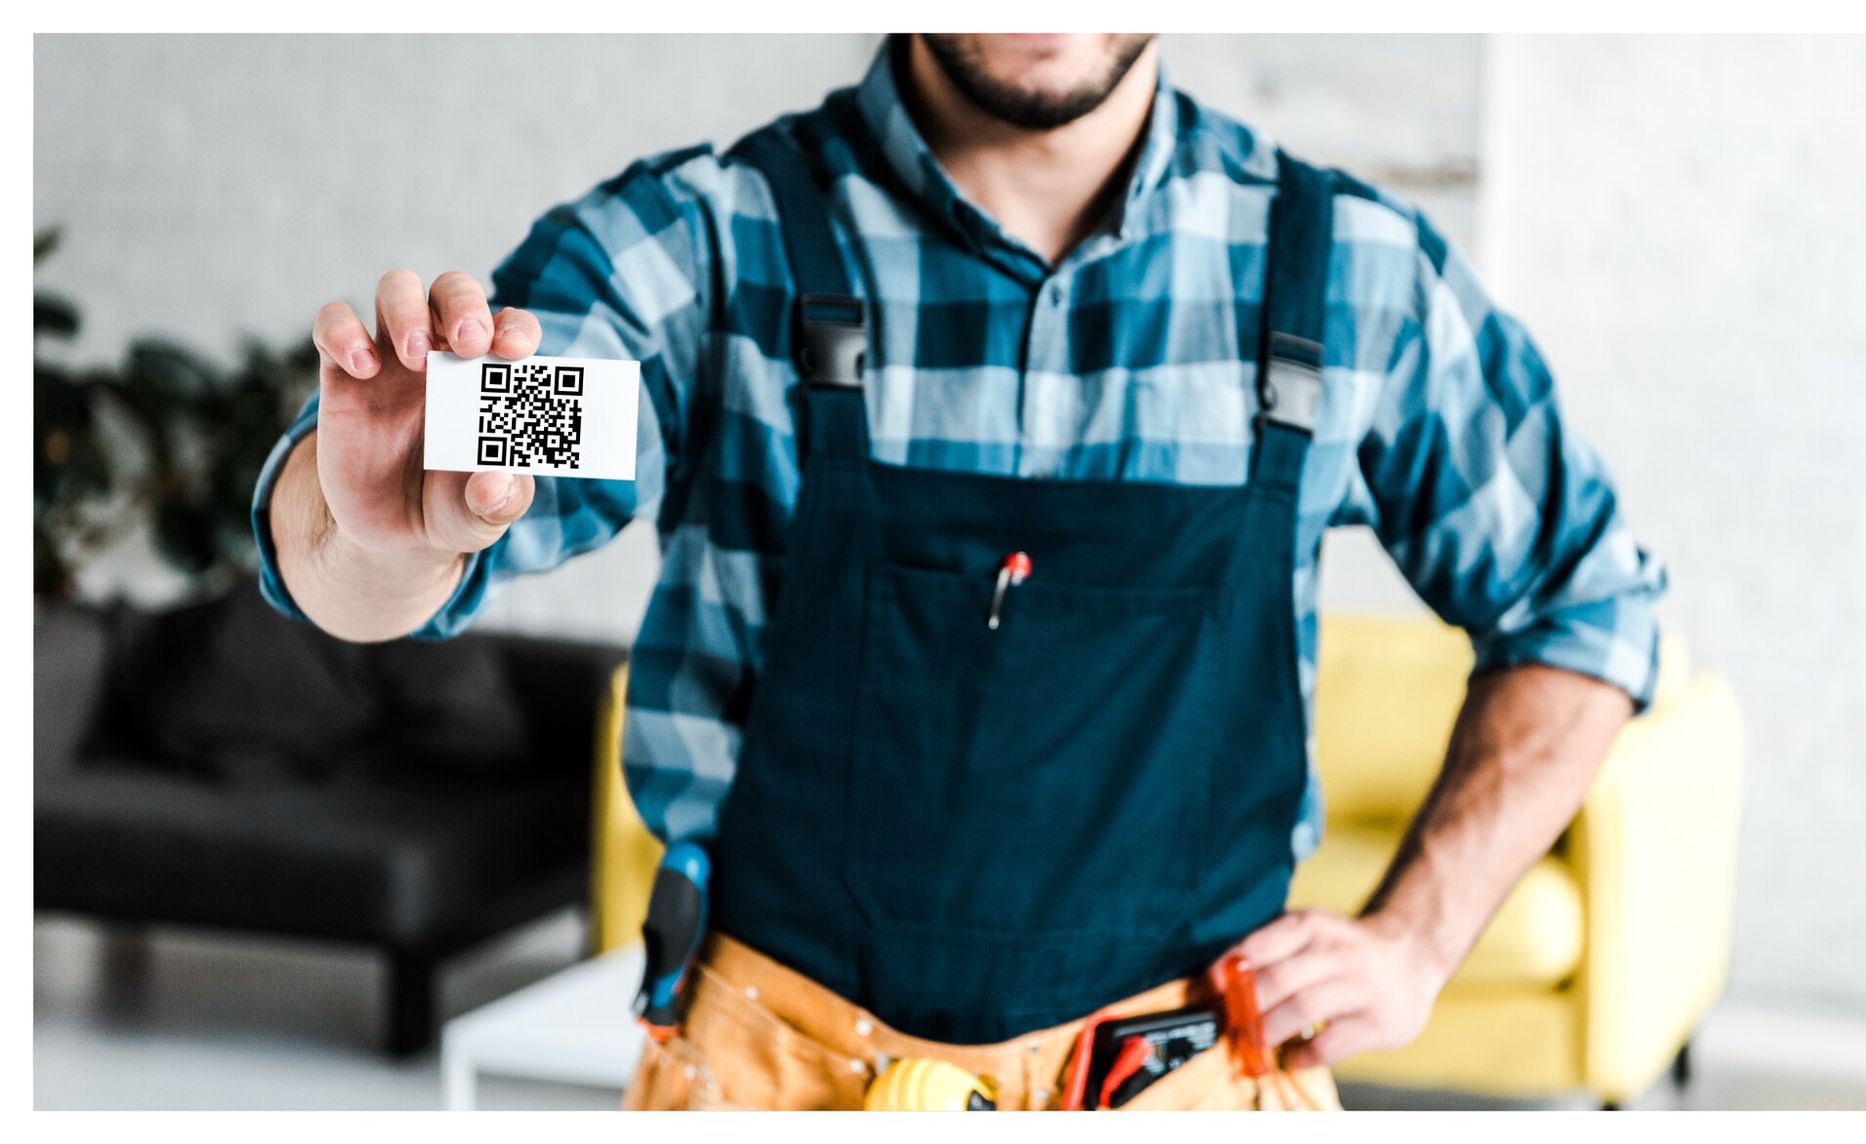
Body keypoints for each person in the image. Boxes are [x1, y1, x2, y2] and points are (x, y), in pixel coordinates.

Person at [254, 33, 1665, 1111]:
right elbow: (426, 505)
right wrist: (383, 524)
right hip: (773, 1079)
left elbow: (1586, 598)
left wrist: (1418, 937)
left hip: (1198, 1087)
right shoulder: (707, 252)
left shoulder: (1352, 279)